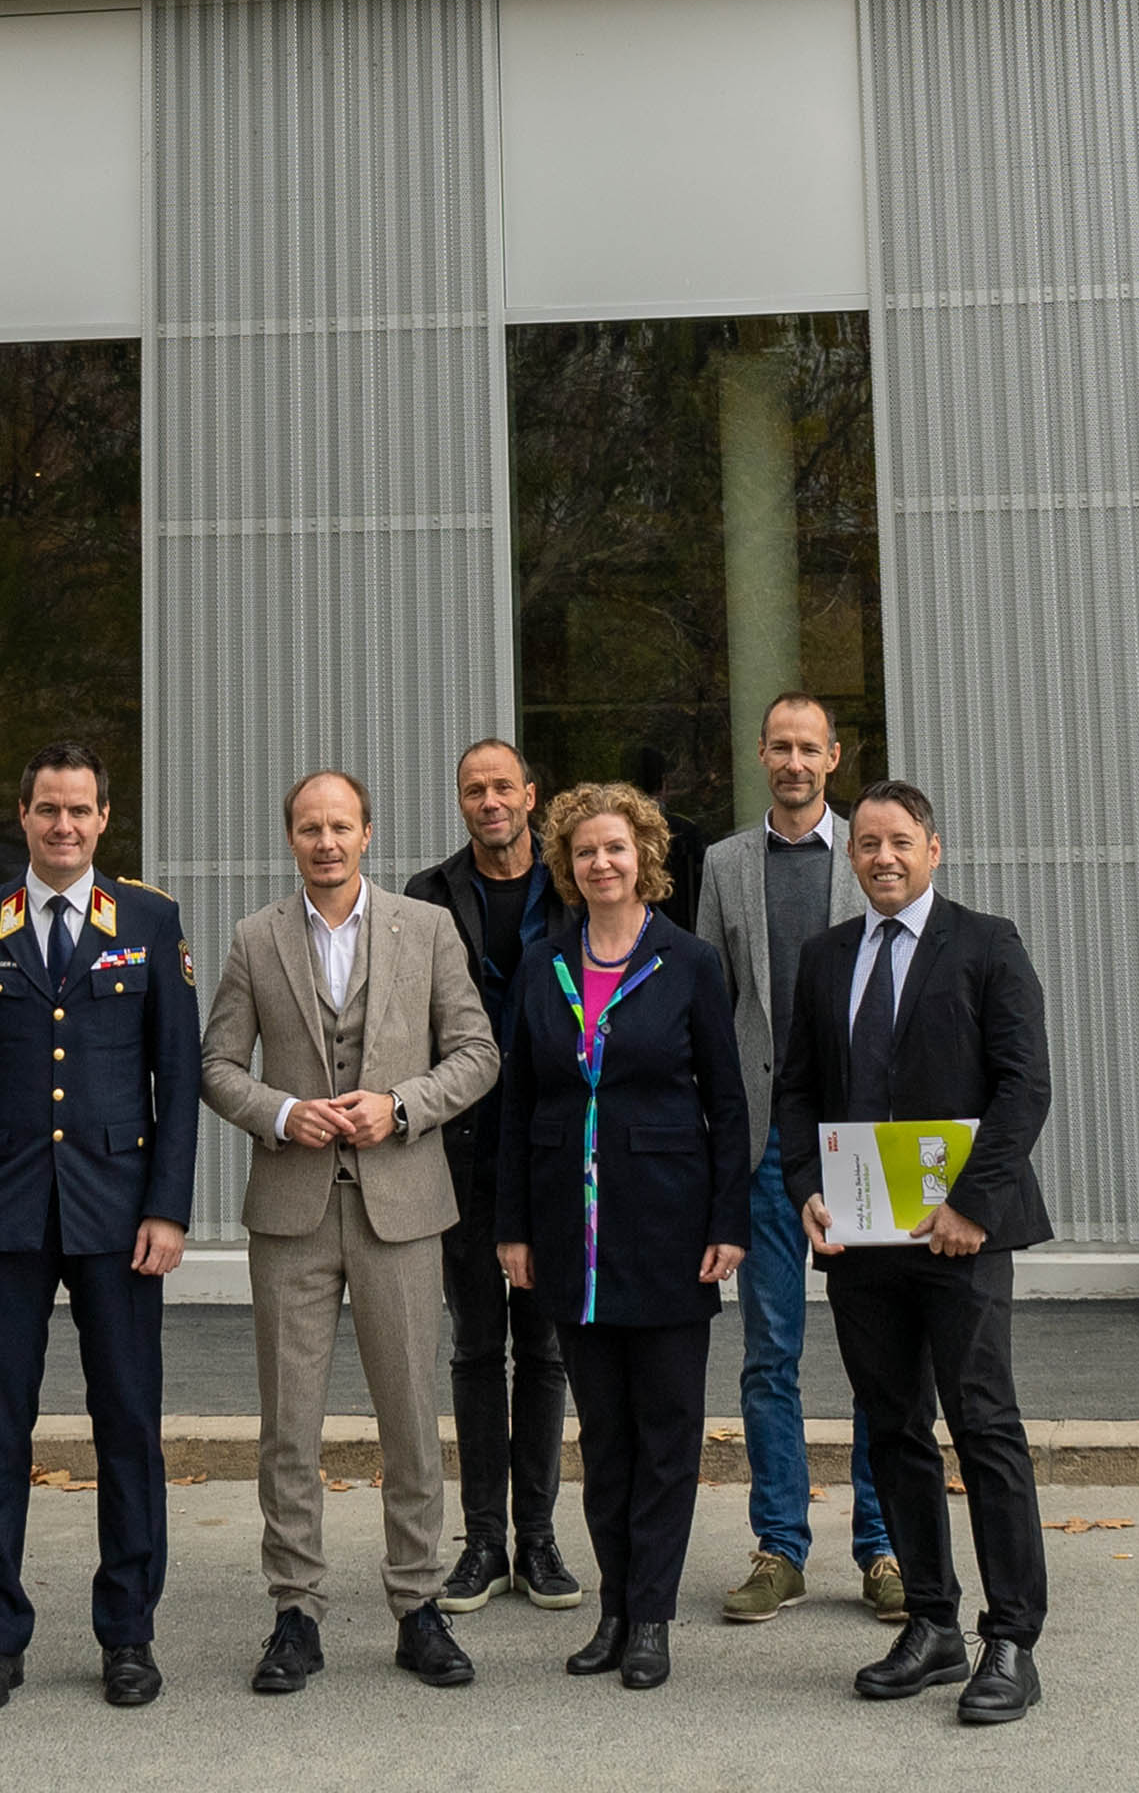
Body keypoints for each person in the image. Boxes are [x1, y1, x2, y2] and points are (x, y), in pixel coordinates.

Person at [200, 768, 503, 1696]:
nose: (325, 842)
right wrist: (283, 1112)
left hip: (402, 1207)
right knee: (287, 1424)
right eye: (308, 828)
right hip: (291, 1210)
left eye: (340, 826)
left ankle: (417, 1608)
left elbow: (478, 1052)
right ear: (290, 838)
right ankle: (295, 1611)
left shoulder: (429, 929)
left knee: (410, 1413)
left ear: (368, 833)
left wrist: (402, 1107)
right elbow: (216, 1064)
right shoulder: (256, 939)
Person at [0, 743, 198, 1712]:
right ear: (24, 813)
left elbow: (179, 1079)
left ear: (103, 817)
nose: (63, 826)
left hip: (121, 1219)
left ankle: (128, 1633)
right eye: (47, 810)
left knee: (128, 1429)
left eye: (79, 810)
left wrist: (169, 1207)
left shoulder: (150, 922)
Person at [775, 782, 1050, 1727]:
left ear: (934, 849)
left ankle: (1010, 1638)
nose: (882, 858)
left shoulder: (987, 944)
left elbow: (1024, 1086)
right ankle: (931, 1624)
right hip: (861, 1240)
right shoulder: (824, 959)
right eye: (866, 846)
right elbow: (797, 1090)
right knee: (889, 1426)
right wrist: (804, 1187)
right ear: (850, 859)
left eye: (899, 842)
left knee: (982, 1426)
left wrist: (975, 1202)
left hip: (962, 1237)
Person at [490, 777, 747, 1693]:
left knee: (667, 1434)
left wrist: (727, 1222)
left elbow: (725, 1099)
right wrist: (513, 1227)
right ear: (566, 865)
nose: (601, 862)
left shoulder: (688, 964)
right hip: (572, 1241)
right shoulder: (541, 965)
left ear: (644, 860)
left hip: (670, 1231)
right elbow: (520, 1103)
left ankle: (652, 1618)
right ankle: (610, 1608)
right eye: (585, 851)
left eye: (617, 848)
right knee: (603, 1440)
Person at [693, 692, 894, 1627]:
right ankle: (780, 1545)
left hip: (859, 1139)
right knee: (769, 1352)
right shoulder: (724, 864)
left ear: (834, 757)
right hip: (766, 1139)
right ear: (760, 755)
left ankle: (884, 1546)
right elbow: (707, 1002)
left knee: (875, 1354)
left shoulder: (870, 853)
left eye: (809, 748)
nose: (793, 761)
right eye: (778, 746)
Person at [412, 736, 580, 1618]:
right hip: (463, 1151)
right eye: (473, 789)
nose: (489, 802)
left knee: (545, 1350)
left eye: (502, 787)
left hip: (553, 1148)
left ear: (531, 794)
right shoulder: (427, 897)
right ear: (462, 802)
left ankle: (540, 1540)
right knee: (477, 1349)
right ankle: (482, 1541)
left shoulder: (573, 888)